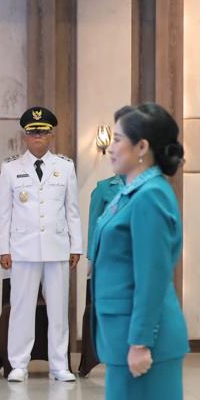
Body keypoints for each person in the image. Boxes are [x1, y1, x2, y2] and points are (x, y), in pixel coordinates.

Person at [91, 102, 190, 400]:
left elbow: (151, 276)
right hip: (124, 337)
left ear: (143, 147)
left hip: (141, 341)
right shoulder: (133, 191)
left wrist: (139, 343)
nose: (111, 147)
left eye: (117, 139)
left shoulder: (149, 196)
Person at [0, 106, 81, 382]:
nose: (37, 137)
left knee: (58, 310)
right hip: (23, 249)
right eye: (32, 132)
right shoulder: (11, 168)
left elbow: (72, 210)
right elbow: (4, 212)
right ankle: (18, 364)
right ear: (25, 136)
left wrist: (76, 246)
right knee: (21, 309)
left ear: (51, 135)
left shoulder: (65, 167)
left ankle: (60, 365)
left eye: (42, 132)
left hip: (57, 247)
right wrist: (4, 248)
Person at [78, 107, 130, 378]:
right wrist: (91, 257)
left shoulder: (144, 186)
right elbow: (94, 224)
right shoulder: (103, 188)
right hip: (109, 259)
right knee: (110, 310)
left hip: (133, 258)